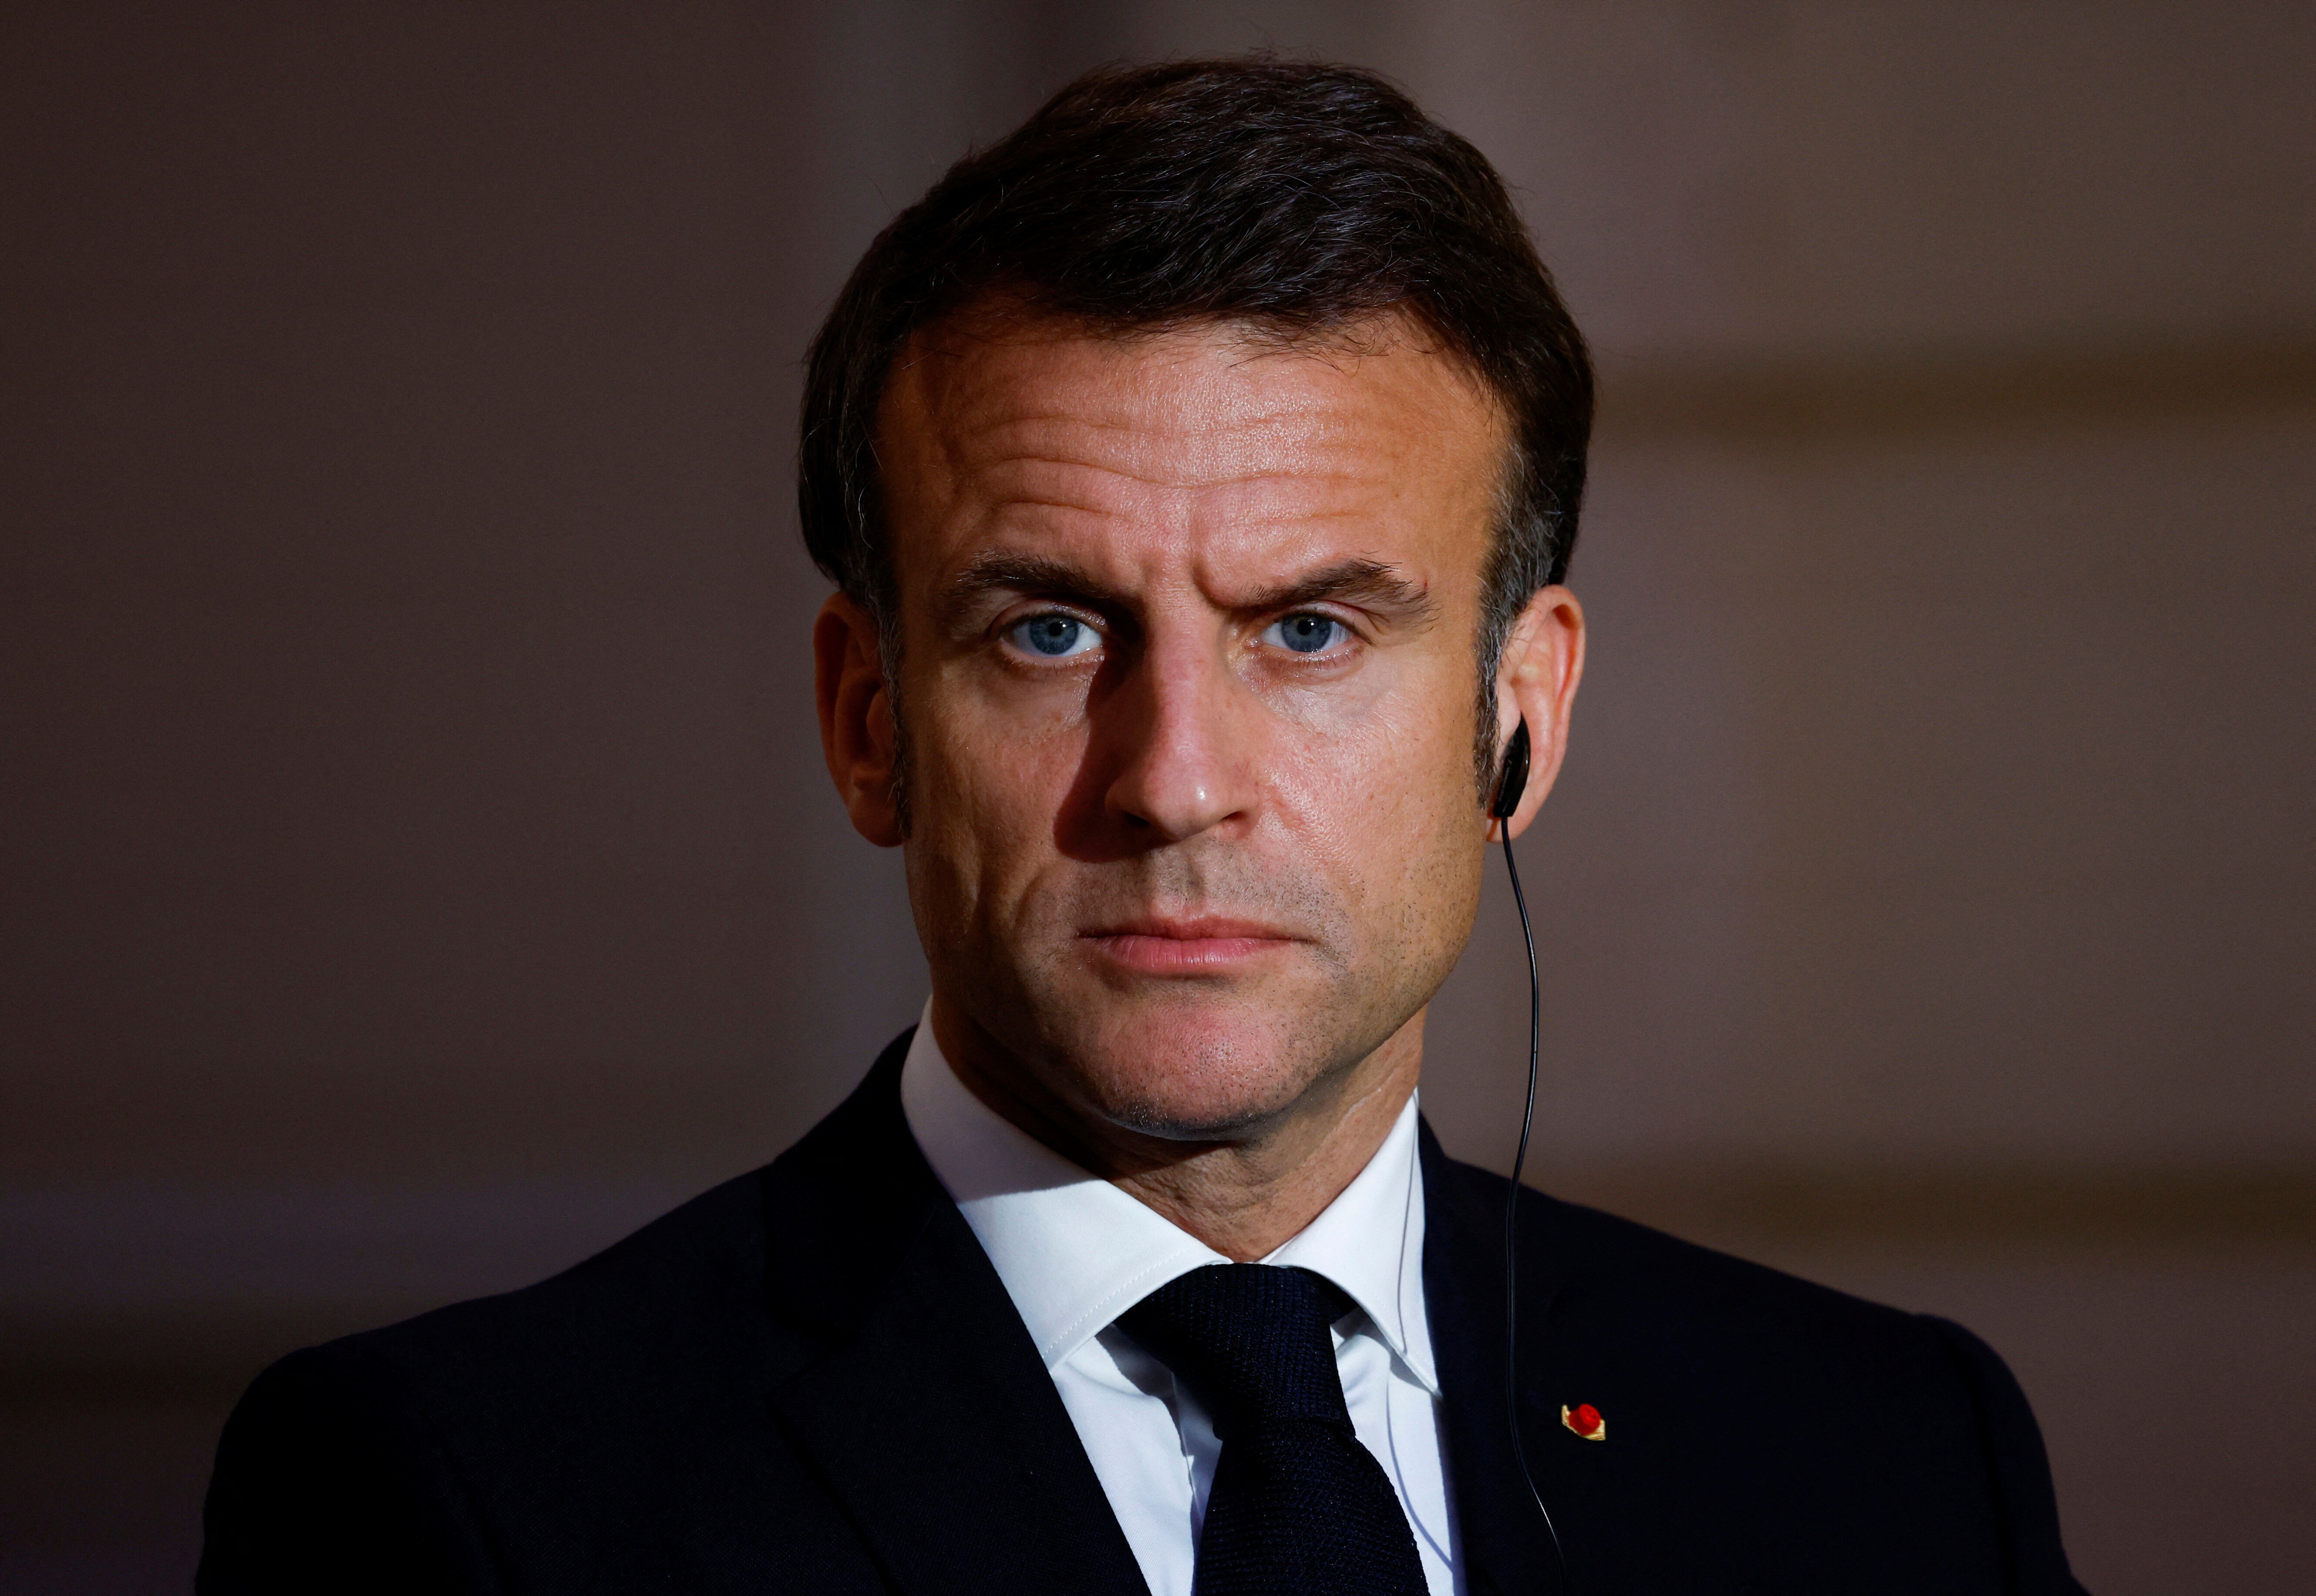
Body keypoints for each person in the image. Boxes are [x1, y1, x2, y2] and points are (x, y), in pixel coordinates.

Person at [198, 58, 2084, 1595]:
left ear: (1519, 713)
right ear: (868, 721)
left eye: (1310, 629)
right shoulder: (462, 1502)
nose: (1173, 777)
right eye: (1050, 630)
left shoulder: (1894, 1459)